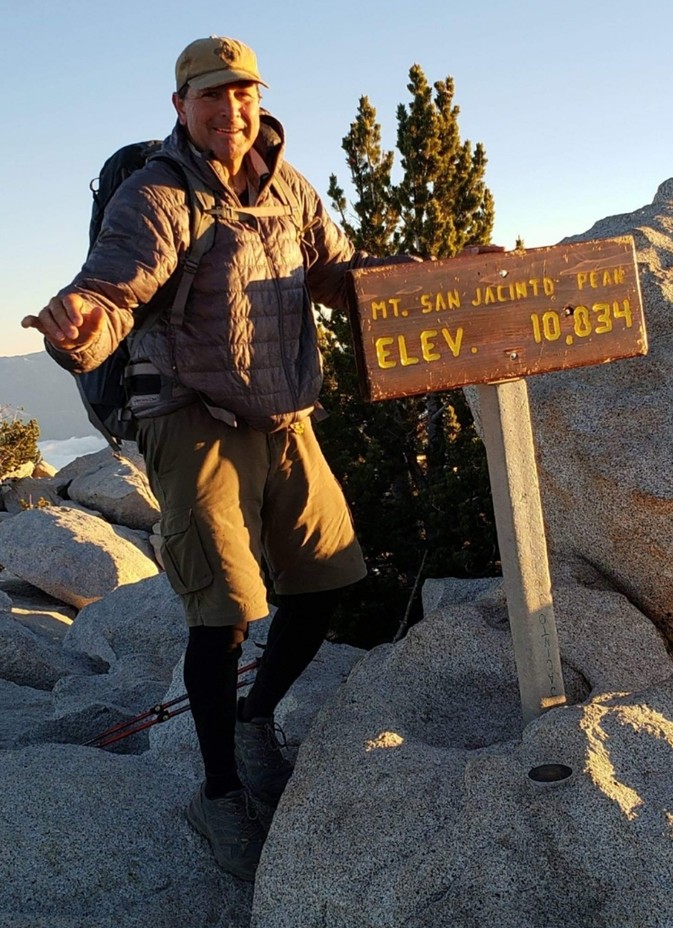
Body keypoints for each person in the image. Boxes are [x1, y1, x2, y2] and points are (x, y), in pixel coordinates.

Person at [22, 36, 419, 882]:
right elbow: (113, 286)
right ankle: (218, 793)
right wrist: (78, 326)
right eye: (211, 97)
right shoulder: (156, 195)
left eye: (242, 95)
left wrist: (433, 281)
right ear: (181, 107)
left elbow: (340, 275)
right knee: (225, 610)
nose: (230, 111)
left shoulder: (291, 190)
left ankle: (254, 711)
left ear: (259, 99)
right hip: (192, 415)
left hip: (284, 411)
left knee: (329, 582)